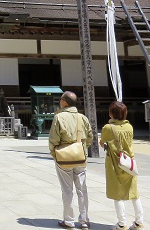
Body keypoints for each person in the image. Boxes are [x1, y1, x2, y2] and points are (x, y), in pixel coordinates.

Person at [48, 91, 94, 229]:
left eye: (61, 99)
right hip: (80, 156)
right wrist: (82, 148)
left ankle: (68, 220)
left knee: (67, 190)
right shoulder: (82, 118)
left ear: (65, 102)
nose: (60, 101)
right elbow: (90, 137)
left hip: (63, 157)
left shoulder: (59, 117)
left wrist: (54, 154)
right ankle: (84, 220)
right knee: (82, 189)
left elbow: (53, 139)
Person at [100, 101, 144, 230]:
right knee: (134, 193)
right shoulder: (129, 127)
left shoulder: (108, 128)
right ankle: (139, 221)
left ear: (111, 113)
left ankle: (121, 223)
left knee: (117, 194)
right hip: (129, 163)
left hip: (115, 163)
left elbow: (102, 142)